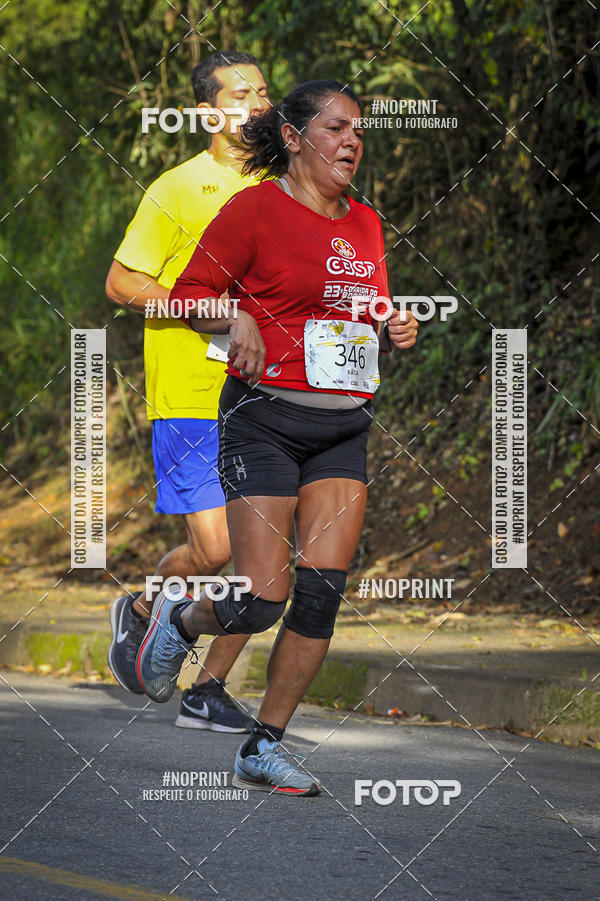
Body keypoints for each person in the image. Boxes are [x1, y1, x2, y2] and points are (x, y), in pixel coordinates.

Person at [136, 79, 419, 795]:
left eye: (358, 129)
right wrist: (235, 320)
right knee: (262, 597)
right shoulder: (253, 210)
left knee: (321, 593)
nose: (353, 140)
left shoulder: (368, 224)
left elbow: (369, 305)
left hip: (341, 427)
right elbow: (189, 294)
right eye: (335, 127)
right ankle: (184, 615)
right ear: (293, 138)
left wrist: (395, 323)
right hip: (261, 418)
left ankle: (263, 744)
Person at [105, 51, 270, 733]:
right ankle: (143, 607)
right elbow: (122, 283)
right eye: (242, 94)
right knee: (212, 553)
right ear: (209, 113)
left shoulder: (285, 188)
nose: (259, 104)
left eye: (265, 91)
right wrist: (205, 306)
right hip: (191, 395)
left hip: (264, 393)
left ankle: (209, 688)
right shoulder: (178, 187)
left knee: (265, 557)